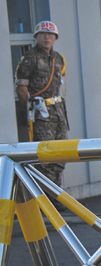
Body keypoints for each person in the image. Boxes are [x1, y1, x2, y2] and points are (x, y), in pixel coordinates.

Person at [15, 21, 69, 207]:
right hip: (41, 113)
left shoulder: (58, 58)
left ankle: (55, 195)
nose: (47, 37)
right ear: (36, 37)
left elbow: (62, 85)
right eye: (43, 34)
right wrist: (27, 110)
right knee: (45, 157)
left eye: (50, 34)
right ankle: (44, 199)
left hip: (58, 112)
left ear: (55, 38)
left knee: (61, 154)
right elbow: (21, 88)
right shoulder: (30, 58)